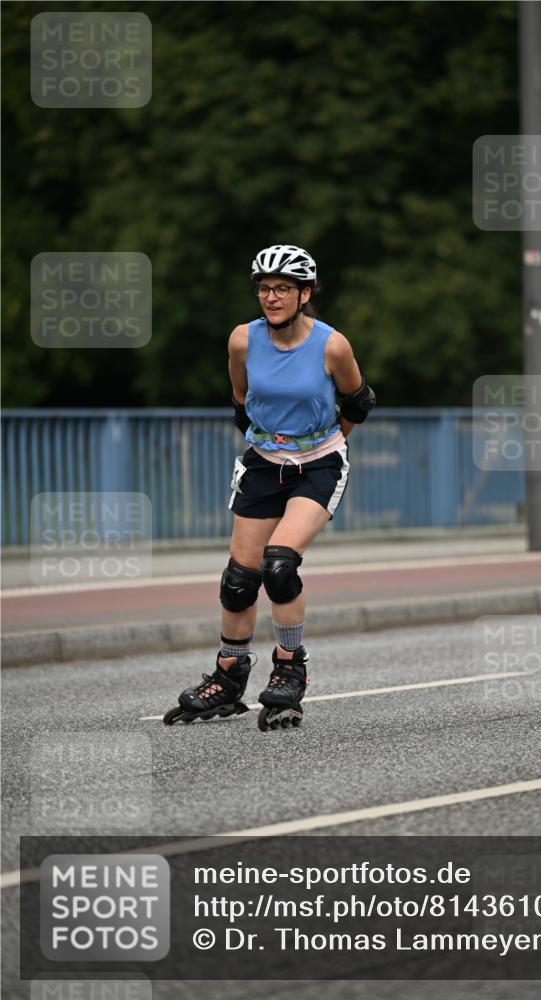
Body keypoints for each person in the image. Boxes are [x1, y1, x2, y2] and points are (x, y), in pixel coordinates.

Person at [167, 244, 375, 731]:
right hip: (264, 462)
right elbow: (241, 400)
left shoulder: (331, 345)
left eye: (283, 288)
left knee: (279, 565)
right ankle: (228, 676)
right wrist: (272, 446)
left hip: (319, 463)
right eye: (264, 288)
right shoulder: (243, 340)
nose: (272, 297)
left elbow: (359, 400)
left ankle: (289, 670)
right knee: (239, 580)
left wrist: (326, 444)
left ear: (305, 293)